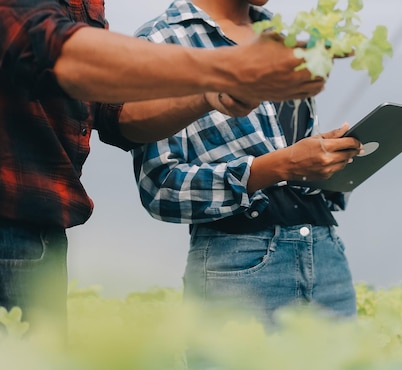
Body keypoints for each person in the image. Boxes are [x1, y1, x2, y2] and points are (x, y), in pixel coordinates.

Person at [0, 0, 327, 337]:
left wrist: (207, 95)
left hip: (40, 230)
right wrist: (229, 66)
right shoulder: (165, 35)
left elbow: (112, 113)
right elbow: (45, 45)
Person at [132, 0, 363, 325]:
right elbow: (161, 189)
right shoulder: (161, 41)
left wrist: (324, 159)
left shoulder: (277, 36)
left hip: (325, 252)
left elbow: (287, 150)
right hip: (240, 262)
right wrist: (280, 166)